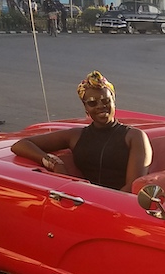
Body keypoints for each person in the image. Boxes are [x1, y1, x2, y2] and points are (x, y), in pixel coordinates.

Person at [11, 71, 151, 192]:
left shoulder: (134, 136)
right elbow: (21, 145)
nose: (101, 106)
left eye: (106, 101)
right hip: (84, 200)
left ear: (114, 101)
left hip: (118, 205)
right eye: (92, 103)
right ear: (86, 109)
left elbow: (133, 187)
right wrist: (54, 163)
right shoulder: (76, 135)